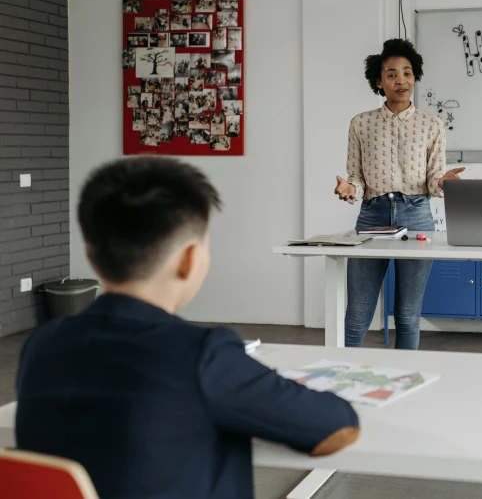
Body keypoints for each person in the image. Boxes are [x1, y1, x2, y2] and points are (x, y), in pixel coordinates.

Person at [15, 156, 360, 499]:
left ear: (91, 253)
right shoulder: (202, 355)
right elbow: (335, 425)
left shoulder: (42, 344)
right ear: (189, 259)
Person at [334, 38, 465, 350]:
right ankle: (340, 375)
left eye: (407, 72)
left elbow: (433, 179)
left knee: (407, 314)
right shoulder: (361, 123)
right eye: (391, 74)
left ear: (415, 77)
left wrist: (444, 181)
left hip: (416, 215)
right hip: (372, 216)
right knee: (357, 314)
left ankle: (405, 381)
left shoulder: (431, 125)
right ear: (379, 82)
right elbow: (357, 178)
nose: (401, 80)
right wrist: (350, 188)